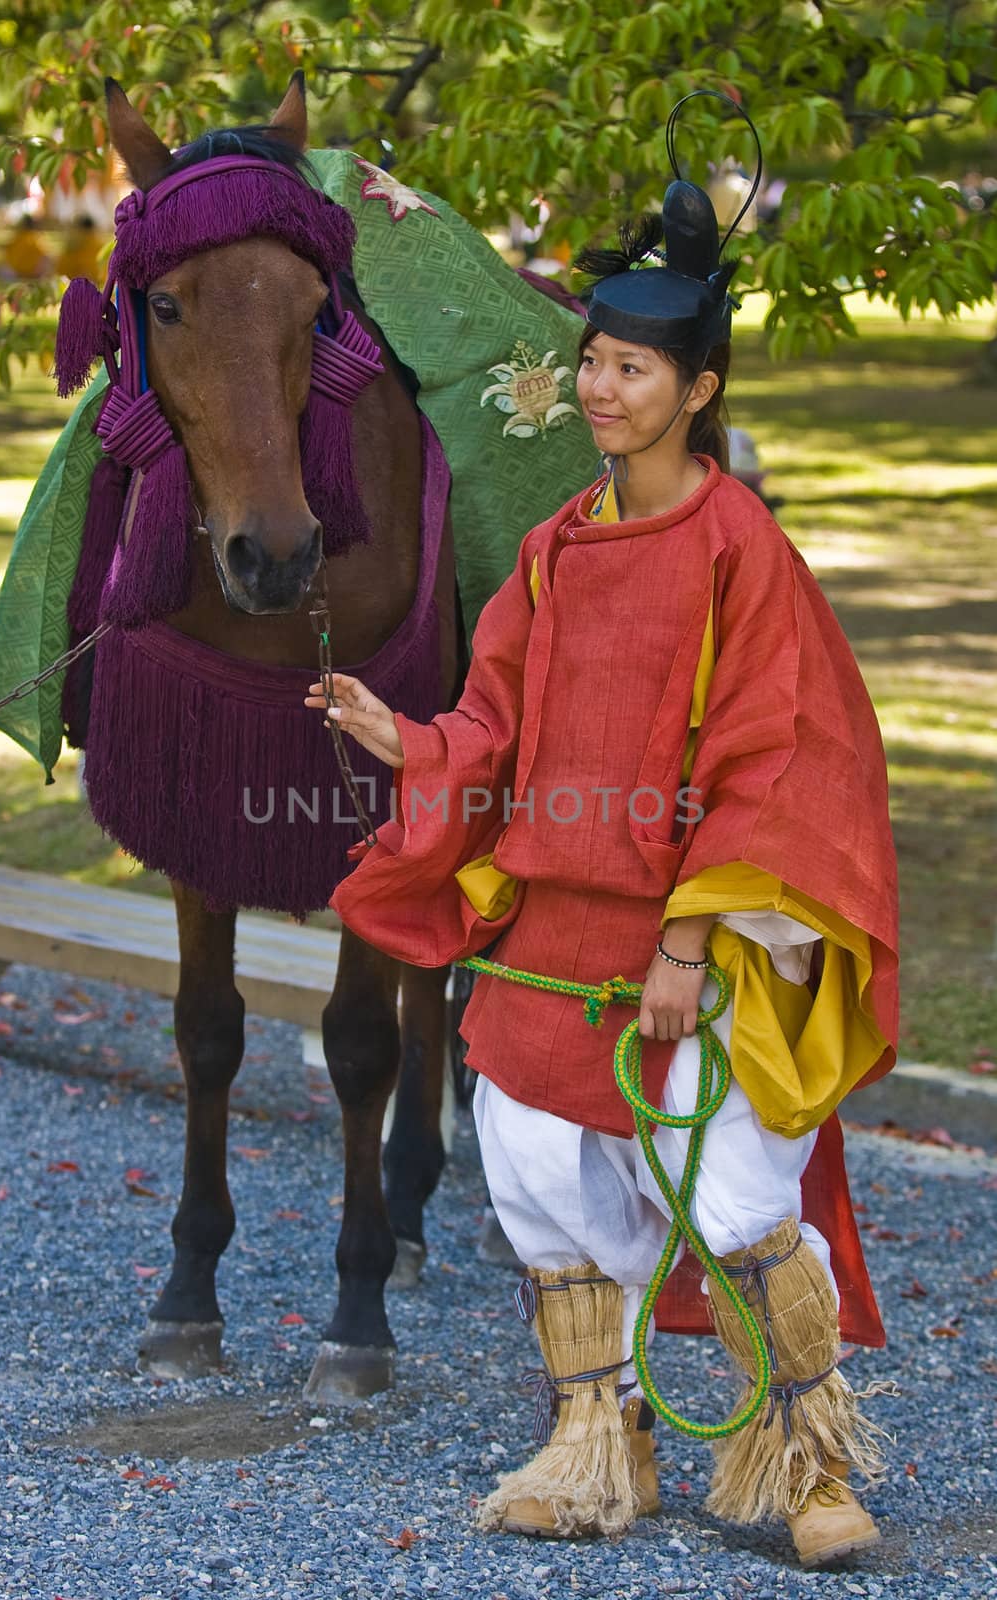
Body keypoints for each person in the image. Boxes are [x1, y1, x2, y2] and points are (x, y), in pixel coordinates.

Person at [304, 95, 898, 1567]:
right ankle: (597, 1445)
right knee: (536, 1182)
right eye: (593, 361)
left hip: (685, 942)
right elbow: (498, 721)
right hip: (551, 938)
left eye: (632, 368)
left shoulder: (741, 554)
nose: (603, 387)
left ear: (697, 387)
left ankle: (809, 1462)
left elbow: (772, 762)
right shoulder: (560, 550)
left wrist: (691, 941)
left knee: (736, 1191)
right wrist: (413, 742)